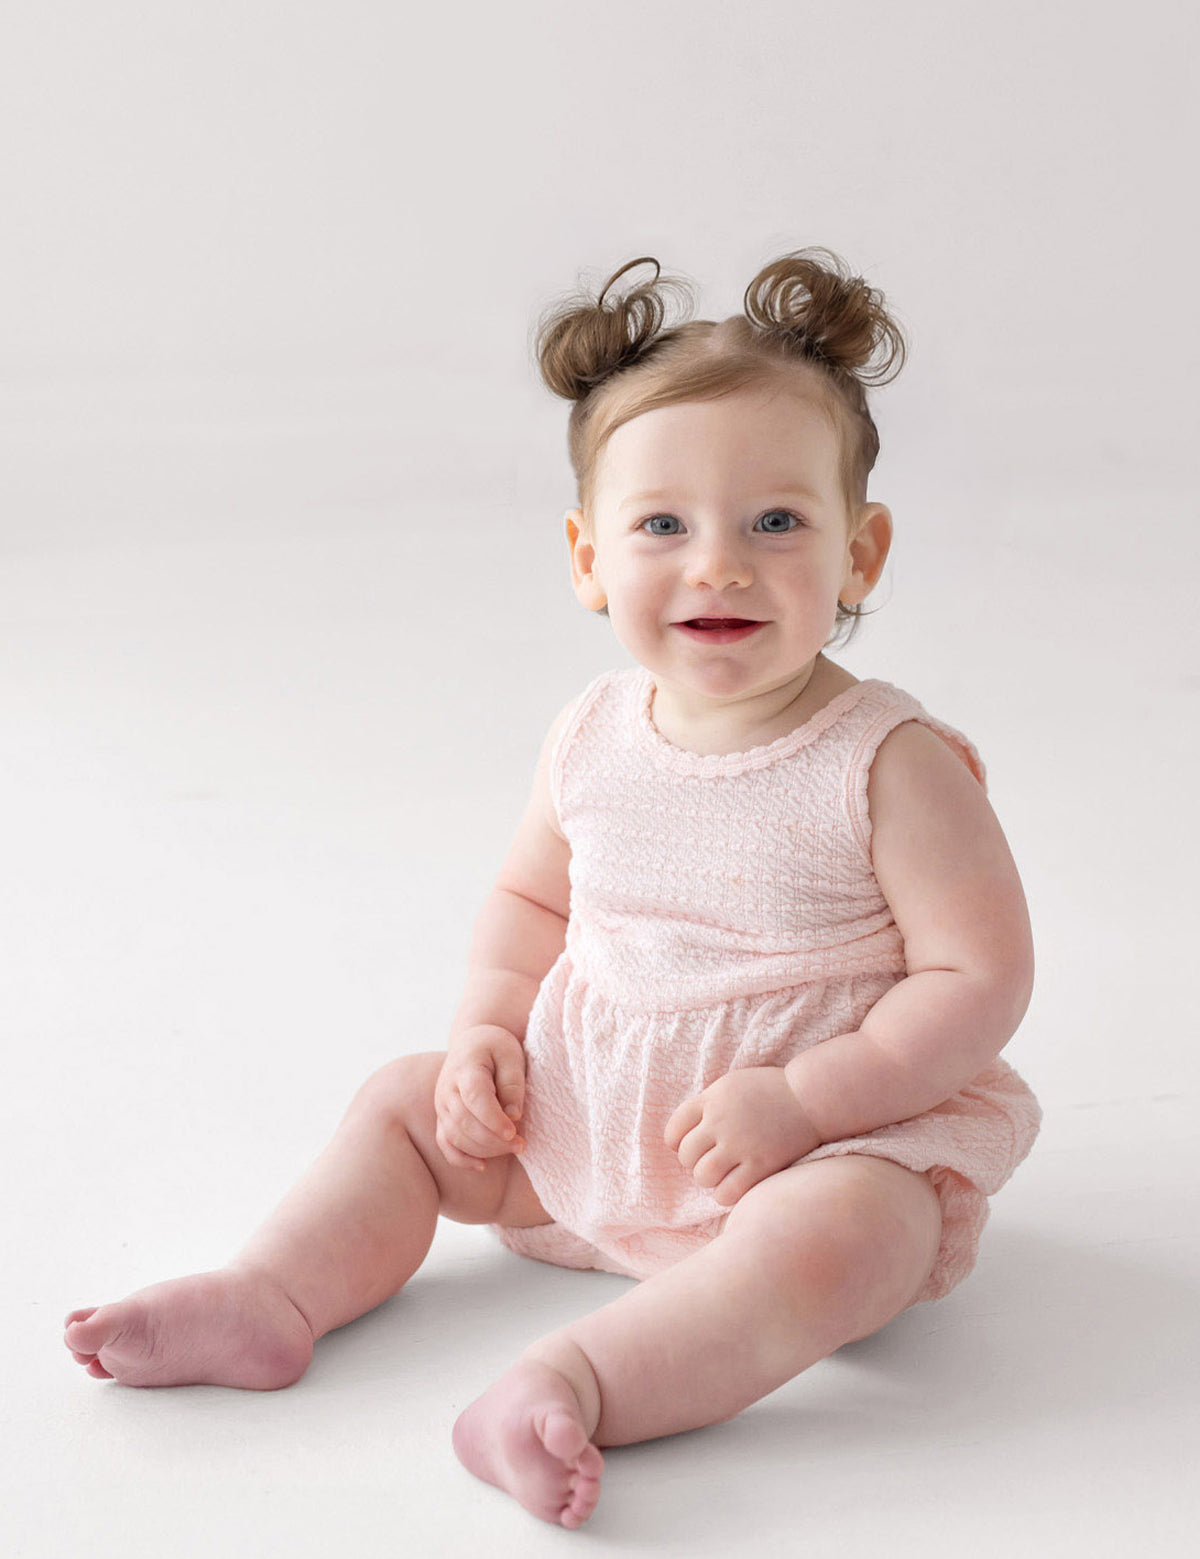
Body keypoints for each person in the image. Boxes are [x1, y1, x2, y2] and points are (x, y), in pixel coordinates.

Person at [63, 248, 1041, 1531]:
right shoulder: (592, 732)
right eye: (662, 526)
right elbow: (533, 906)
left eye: (776, 522)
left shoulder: (889, 762)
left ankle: (571, 1380)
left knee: (859, 1234)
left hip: (804, 1147)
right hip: (593, 1117)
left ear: (862, 552)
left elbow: (979, 976)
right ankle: (273, 1293)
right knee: (402, 1102)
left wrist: (810, 1101)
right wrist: (486, 1032)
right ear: (588, 556)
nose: (718, 566)